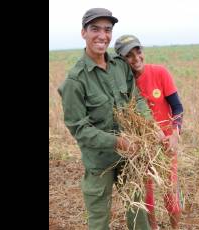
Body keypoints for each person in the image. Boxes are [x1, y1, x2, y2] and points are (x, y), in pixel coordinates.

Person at [58, 8, 153, 230]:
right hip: (100, 161)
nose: (102, 35)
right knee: (99, 220)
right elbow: (79, 130)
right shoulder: (75, 80)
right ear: (83, 33)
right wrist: (117, 142)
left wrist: (149, 124)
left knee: (139, 213)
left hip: (130, 157)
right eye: (95, 29)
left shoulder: (120, 66)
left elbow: (135, 98)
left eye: (107, 30)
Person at [115, 35, 184, 230]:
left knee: (171, 193)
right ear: (121, 60)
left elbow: (177, 107)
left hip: (165, 146)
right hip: (140, 149)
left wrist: (175, 134)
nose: (136, 58)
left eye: (138, 51)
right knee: (147, 196)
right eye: (129, 55)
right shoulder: (124, 86)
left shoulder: (159, 73)